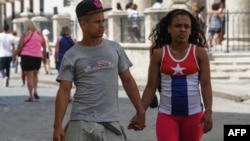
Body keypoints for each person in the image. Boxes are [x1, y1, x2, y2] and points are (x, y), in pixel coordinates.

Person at [53, 0, 145, 141]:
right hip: (81, 122)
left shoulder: (115, 48)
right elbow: (64, 90)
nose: (102, 26)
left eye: (103, 21)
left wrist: (140, 110)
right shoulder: (71, 55)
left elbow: (127, 80)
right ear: (83, 24)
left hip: (110, 122)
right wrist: (57, 126)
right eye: (97, 22)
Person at [129, 9, 213, 141]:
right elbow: (150, 87)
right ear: (169, 29)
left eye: (186, 26)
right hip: (167, 116)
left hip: (194, 116)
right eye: (178, 26)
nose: (182, 30)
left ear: (190, 30)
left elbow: (206, 84)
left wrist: (208, 110)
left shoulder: (199, 53)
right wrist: (141, 112)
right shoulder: (159, 54)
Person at [14, 20, 46, 102]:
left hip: (27, 56)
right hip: (38, 57)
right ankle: (35, 91)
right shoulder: (39, 34)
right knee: (35, 75)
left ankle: (30, 95)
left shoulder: (25, 34)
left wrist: (15, 55)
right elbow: (44, 46)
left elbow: (20, 46)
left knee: (29, 77)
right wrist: (44, 57)